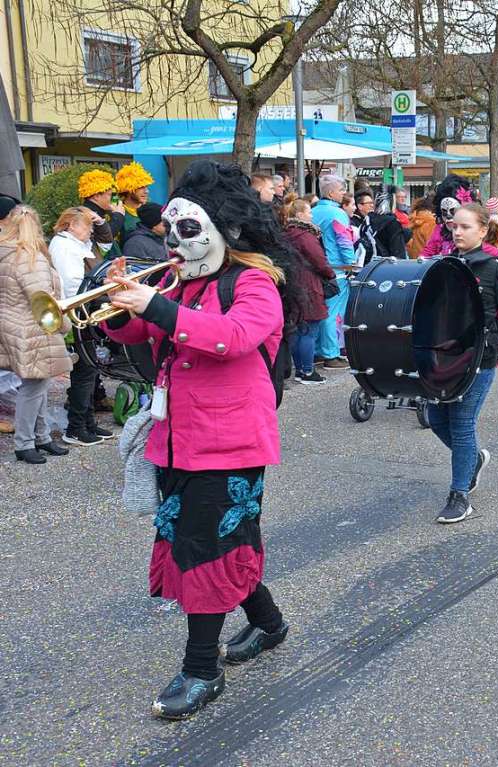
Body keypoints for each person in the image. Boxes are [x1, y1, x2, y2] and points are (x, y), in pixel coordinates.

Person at [102, 160, 293, 719]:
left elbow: (233, 338)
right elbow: (139, 330)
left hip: (231, 440)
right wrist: (117, 305)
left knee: (206, 547)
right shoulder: (174, 280)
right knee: (212, 539)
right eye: (172, 231)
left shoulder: (254, 280)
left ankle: (202, 669)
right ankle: (269, 623)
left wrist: (159, 305)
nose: (178, 244)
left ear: (223, 229)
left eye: (189, 231)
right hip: (176, 436)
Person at [429, 203, 498, 524]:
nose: (457, 232)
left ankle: (460, 496)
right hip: (444, 357)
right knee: (435, 419)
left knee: (461, 423)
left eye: (465, 227)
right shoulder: (444, 264)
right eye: (454, 226)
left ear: (483, 231)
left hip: (480, 360)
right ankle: (473, 459)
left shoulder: (495, 268)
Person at [0, 205, 73, 464]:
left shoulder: (6, 254)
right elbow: (43, 300)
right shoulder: (29, 258)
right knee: (33, 387)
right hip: (32, 328)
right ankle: (25, 442)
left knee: (37, 385)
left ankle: (41, 437)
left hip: (13, 326)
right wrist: (66, 325)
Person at [48, 207, 116, 447]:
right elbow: (73, 283)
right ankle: (76, 427)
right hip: (79, 313)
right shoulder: (65, 246)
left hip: (87, 310)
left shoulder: (80, 244)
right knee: (85, 372)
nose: (90, 229)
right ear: (70, 226)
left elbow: (106, 243)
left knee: (90, 370)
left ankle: (86, 422)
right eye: (85, 225)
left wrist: (98, 222)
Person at [283, 198, 335, 384]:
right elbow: (319, 260)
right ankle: (307, 371)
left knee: (298, 329)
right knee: (310, 330)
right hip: (309, 285)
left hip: (294, 284)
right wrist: (330, 274)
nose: (311, 214)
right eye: (308, 211)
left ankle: (300, 369)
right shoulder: (305, 236)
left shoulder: (287, 234)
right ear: (300, 215)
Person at [311, 176, 357, 369]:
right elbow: (344, 242)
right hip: (336, 270)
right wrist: (352, 266)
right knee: (333, 313)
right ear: (331, 193)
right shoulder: (337, 214)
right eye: (341, 190)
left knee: (319, 312)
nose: (343, 194)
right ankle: (331, 353)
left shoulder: (312, 212)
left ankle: (317, 351)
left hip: (315, 268)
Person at [421, 175, 473, 258]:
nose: (448, 216)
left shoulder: (473, 229)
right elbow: (427, 253)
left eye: (453, 211)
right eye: (444, 212)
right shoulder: (440, 231)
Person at [78, 169, 125, 258]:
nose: (112, 199)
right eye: (110, 195)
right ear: (96, 196)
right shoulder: (87, 214)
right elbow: (106, 237)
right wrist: (118, 216)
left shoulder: (99, 211)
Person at [115, 162, 156, 239]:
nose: (146, 191)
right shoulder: (117, 213)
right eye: (141, 187)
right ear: (128, 189)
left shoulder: (151, 209)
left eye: (146, 187)